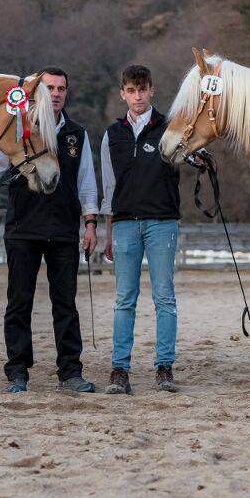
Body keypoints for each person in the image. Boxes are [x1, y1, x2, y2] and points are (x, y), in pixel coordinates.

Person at [0, 67, 99, 394]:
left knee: (65, 304)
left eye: (62, 89)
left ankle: (70, 372)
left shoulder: (76, 135)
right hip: (23, 229)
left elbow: (87, 184)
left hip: (65, 231)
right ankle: (17, 373)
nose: (56, 94)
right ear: (38, 92)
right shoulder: (18, 131)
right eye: (50, 88)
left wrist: (91, 223)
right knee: (19, 302)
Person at [99, 64, 181, 394]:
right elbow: (109, 185)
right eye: (131, 91)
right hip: (123, 225)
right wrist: (107, 229)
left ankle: (164, 367)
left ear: (151, 91)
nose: (137, 96)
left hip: (162, 222)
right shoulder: (112, 135)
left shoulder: (171, 127)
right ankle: (120, 369)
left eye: (142, 89)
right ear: (123, 94)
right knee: (124, 299)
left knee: (164, 297)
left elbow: (193, 152)